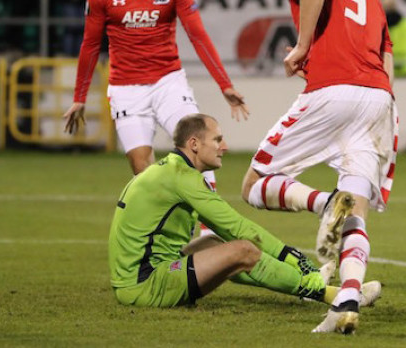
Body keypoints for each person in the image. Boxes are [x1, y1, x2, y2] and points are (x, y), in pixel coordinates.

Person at [240, 0, 398, 334]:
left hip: (333, 92)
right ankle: (347, 299)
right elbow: (386, 58)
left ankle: (322, 204)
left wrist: (303, 48)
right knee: (357, 207)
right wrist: (386, 111)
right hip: (379, 99)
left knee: (254, 184)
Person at [63, 0, 249, 178]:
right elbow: (90, 45)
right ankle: (168, 218)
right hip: (126, 89)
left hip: (168, 83)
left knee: (199, 150)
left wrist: (225, 84)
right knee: (142, 170)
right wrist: (79, 97)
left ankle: (207, 220)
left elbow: (198, 37)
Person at [109, 113, 329, 308]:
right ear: (194, 144)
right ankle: (320, 291)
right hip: (145, 285)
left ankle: (302, 282)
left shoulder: (171, 169)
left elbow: (225, 230)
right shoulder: (183, 178)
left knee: (213, 243)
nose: (225, 147)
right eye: (217, 139)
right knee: (243, 250)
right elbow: (236, 227)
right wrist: (289, 254)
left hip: (138, 277)